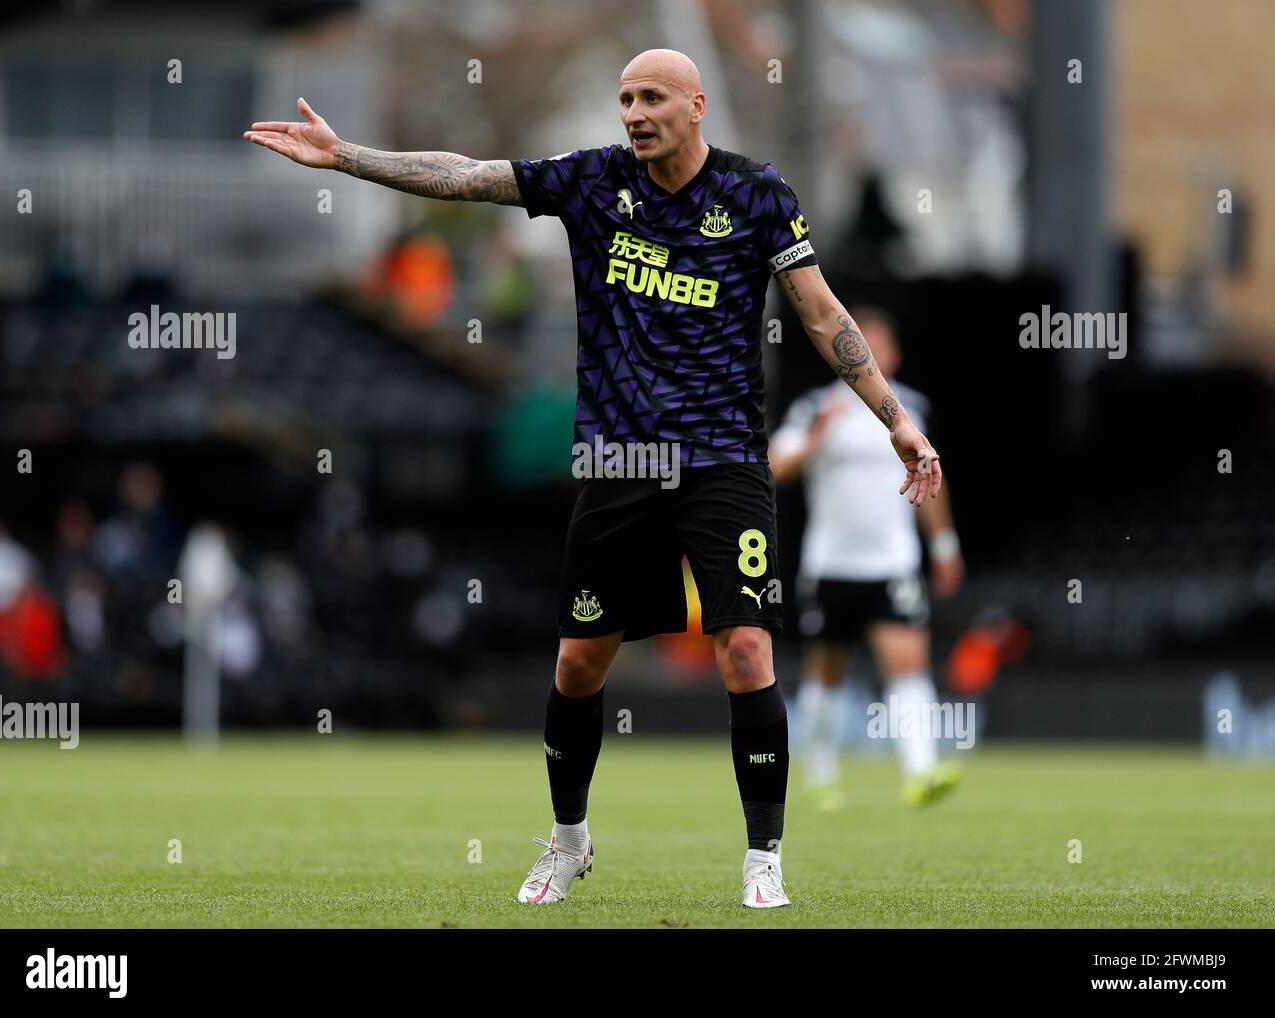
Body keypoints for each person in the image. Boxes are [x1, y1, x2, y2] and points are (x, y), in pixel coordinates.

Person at [244, 48, 942, 909]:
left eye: (651, 98)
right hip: (619, 463)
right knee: (579, 664)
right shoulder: (591, 182)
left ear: (696, 106)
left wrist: (897, 422)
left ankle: (765, 857)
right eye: (624, 99)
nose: (634, 112)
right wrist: (350, 156)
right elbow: (465, 177)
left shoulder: (758, 194)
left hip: (723, 458)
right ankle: (569, 839)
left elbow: (823, 314)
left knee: (747, 647)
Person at [769, 307, 965, 810]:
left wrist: (943, 545)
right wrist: (816, 438)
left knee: (908, 662)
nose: (867, 354)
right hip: (830, 564)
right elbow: (774, 467)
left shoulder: (911, 411)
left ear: (894, 355)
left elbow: (931, 481)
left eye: (877, 344)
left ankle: (921, 772)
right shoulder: (816, 406)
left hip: (892, 563)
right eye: (858, 344)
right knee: (826, 671)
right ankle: (821, 772)